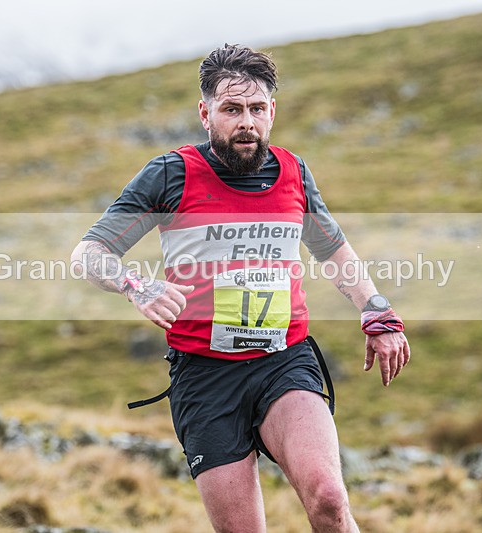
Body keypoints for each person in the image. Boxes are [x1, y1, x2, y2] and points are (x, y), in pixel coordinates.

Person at [71, 44, 410, 532]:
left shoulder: (293, 173)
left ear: (271, 112)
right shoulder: (171, 174)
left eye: (256, 109)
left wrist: (376, 311)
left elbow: (332, 249)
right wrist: (135, 286)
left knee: (331, 501)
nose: (245, 122)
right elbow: (89, 252)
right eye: (232, 109)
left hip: (283, 360)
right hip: (205, 377)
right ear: (206, 114)